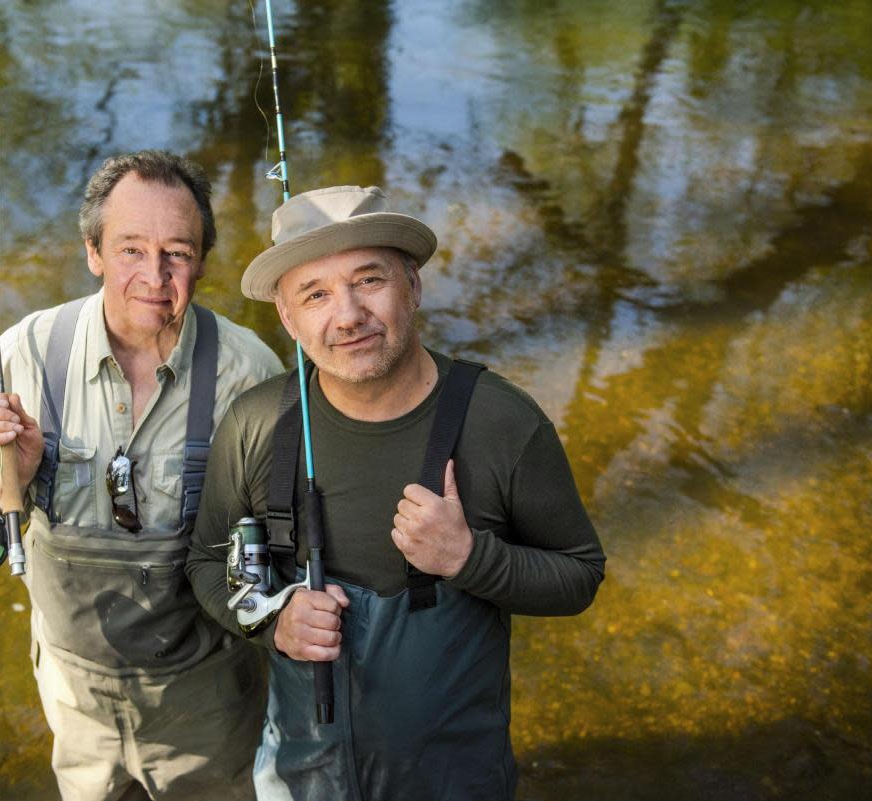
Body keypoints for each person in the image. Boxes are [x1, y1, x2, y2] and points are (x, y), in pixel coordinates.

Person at [186, 185, 607, 800]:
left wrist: (469, 559)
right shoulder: (255, 425)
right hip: (301, 779)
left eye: (369, 280)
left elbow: (580, 576)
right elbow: (204, 563)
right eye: (316, 294)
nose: (349, 314)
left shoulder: (502, 424)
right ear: (287, 317)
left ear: (413, 285)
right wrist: (270, 622)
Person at [0, 150, 284, 801]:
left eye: (177, 252)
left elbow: (284, 540)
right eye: (130, 249)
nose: (154, 276)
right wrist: (6, 478)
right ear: (93, 251)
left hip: (209, 706)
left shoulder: (251, 373)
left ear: (203, 261)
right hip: (74, 705)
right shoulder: (28, 352)